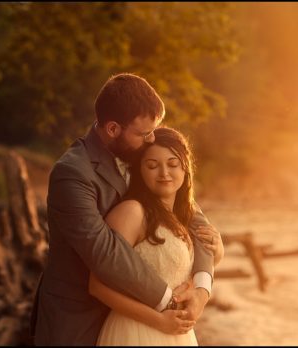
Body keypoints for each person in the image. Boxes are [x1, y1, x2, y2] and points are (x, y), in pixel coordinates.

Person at [30, 73, 221, 345]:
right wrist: (170, 301)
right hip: (78, 319)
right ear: (112, 129)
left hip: (138, 320)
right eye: (144, 133)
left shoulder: (140, 154)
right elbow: (106, 252)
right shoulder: (72, 173)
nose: (152, 139)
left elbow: (191, 216)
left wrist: (201, 289)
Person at [91, 127, 224, 345]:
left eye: (172, 164)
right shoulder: (132, 212)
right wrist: (158, 321)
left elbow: (180, 270)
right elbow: (97, 285)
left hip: (177, 334)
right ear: (139, 170)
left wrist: (217, 252)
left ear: (185, 168)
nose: (164, 173)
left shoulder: (184, 216)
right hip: (136, 332)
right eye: (152, 165)